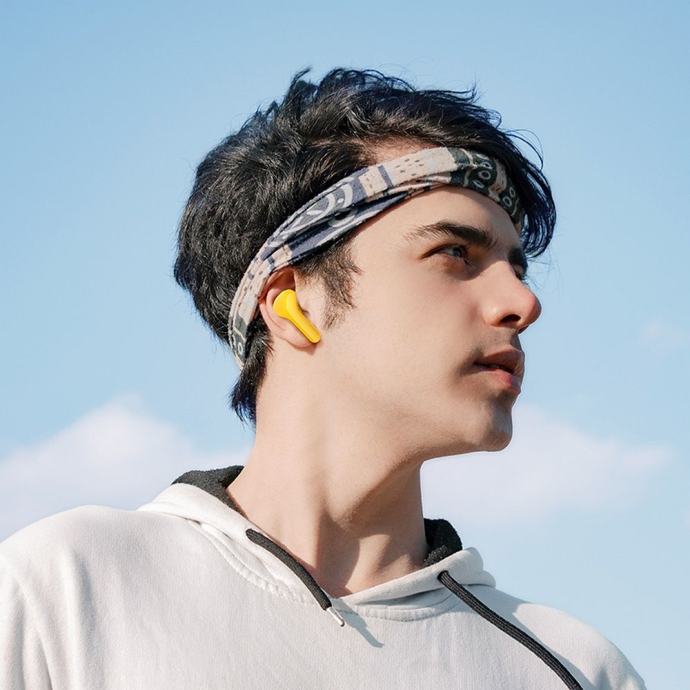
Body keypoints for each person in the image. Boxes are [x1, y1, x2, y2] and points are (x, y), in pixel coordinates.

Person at [0, 67, 647, 689]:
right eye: (454, 253)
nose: (523, 303)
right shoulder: (66, 589)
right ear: (292, 303)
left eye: (517, 267)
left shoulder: (576, 668)